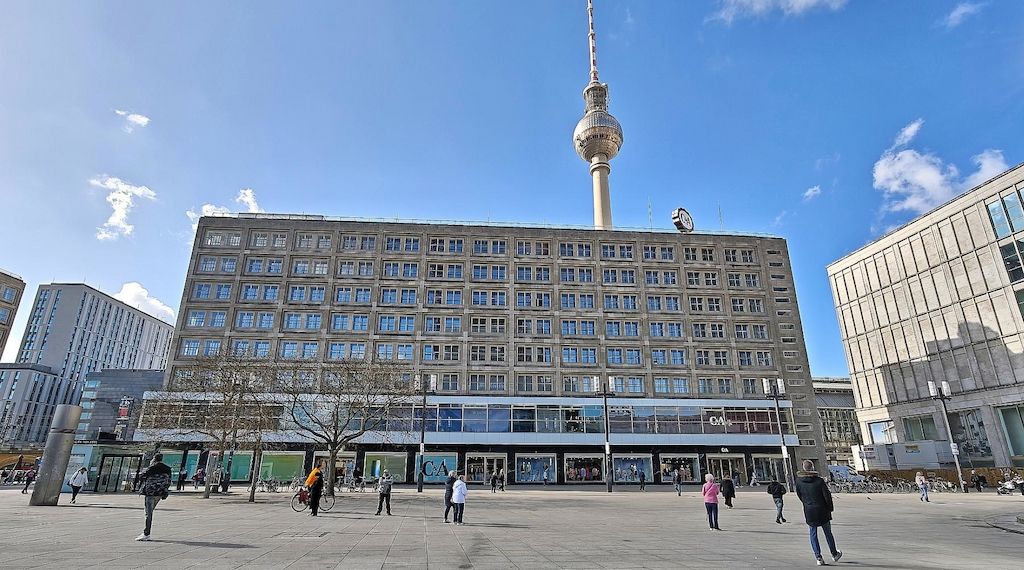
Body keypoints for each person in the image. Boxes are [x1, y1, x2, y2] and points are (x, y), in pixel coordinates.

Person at [795, 460, 842, 566]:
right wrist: (830, 508)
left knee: (813, 533)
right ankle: (834, 554)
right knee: (828, 533)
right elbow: (827, 496)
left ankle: (818, 557)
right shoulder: (819, 481)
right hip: (822, 510)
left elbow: (799, 495)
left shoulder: (799, 481)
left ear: (804, 468)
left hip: (809, 510)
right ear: (812, 468)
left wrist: (807, 503)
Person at [135, 454, 172, 541]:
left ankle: (146, 533)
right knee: (150, 512)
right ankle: (146, 532)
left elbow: (141, 476)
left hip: (150, 492)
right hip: (159, 493)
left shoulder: (152, 468)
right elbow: (169, 481)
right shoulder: (167, 468)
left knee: (148, 513)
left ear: (154, 459)